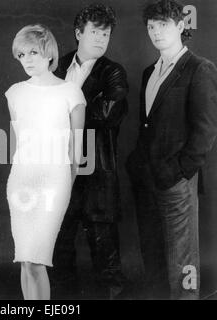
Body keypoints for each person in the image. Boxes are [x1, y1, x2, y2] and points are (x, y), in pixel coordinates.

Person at [126, 0, 217, 299]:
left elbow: (205, 132)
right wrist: (137, 165)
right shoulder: (149, 71)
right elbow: (147, 127)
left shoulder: (199, 68)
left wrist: (179, 172)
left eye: (163, 24)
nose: (155, 32)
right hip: (146, 179)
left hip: (176, 180)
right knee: (152, 256)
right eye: (151, 26)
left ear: (180, 26)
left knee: (182, 259)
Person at [51, 4, 129, 299]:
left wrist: (62, 108)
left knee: (106, 262)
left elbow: (108, 112)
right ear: (78, 33)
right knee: (59, 257)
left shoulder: (114, 72)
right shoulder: (57, 66)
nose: (101, 39)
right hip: (60, 176)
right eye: (95, 32)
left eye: (106, 34)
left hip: (97, 178)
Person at [5, 24, 86, 300]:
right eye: (22, 54)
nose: (27, 59)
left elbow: (77, 149)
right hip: (21, 181)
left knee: (37, 259)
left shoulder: (71, 92)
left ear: (49, 54)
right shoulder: (14, 93)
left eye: (34, 52)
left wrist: (66, 182)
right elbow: (18, 143)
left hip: (54, 181)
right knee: (25, 259)